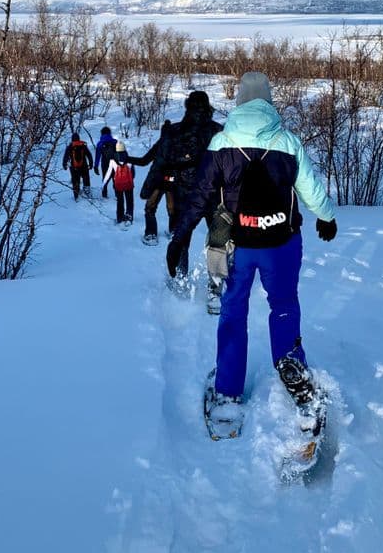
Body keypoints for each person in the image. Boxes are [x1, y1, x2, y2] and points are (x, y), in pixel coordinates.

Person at [166, 72, 337, 418]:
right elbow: (312, 190)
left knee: (233, 311)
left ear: (240, 100)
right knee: (284, 304)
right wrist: (327, 217)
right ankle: (291, 364)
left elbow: (199, 195)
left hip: (237, 247)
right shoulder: (288, 142)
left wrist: (180, 235)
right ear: (269, 100)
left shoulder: (221, 143)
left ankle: (228, 389)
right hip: (282, 243)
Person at [152, 91, 222, 281]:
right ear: (208, 108)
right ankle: (214, 288)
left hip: (184, 195)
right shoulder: (220, 131)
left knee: (182, 239)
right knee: (217, 242)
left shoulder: (175, 131)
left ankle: (179, 279)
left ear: (187, 106)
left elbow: (163, 161)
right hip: (214, 195)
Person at [129, 120, 174, 245]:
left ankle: (151, 235)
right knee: (172, 209)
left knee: (150, 208)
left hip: (158, 181)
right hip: (172, 182)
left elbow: (144, 161)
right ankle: (174, 232)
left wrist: (128, 159)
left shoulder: (159, 145)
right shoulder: (178, 145)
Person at [102, 141, 135, 224]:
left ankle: (119, 217)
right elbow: (133, 173)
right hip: (128, 184)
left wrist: (104, 183)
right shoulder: (129, 159)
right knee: (129, 200)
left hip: (118, 184)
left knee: (120, 201)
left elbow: (108, 173)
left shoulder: (112, 161)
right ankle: (129, 215)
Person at [62, 132, 94, 200]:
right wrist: (91, 164)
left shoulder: (70, 147)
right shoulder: (83, 145)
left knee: (75, 181)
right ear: (79, 138)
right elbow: (89, 155)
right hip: (84, 166)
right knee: (86, 179)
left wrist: (64, 165)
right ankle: (87, 192)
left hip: (74, 167)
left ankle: (76, 195)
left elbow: (66, 157)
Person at [94, 126, 116, 198]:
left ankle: (104, 194)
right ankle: (118, 194)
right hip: (114, 163)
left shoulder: (100, 143)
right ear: (109, 133)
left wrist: (96, 166)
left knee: (105, 178)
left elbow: (98, 156)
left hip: (105, 164)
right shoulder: (115, 142)